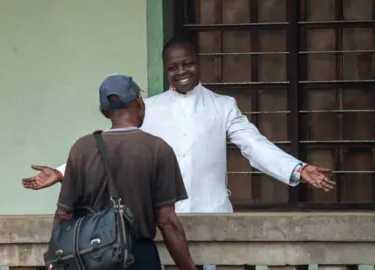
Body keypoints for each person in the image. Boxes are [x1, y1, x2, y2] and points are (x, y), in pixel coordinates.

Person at [24, 37, 336, 269]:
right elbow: (114, 150)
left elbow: (254, 146)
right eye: (173, 67)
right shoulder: (150, 108)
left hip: (213, 217)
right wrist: (61, 171)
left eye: (187, 64)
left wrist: (297, 169)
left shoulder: (223, 106)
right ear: (166, 70)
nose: (181, 71)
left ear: (198, 62)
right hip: (167, 229)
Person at [51, 74, 197, 270]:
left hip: (91, 258)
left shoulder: (82, 148)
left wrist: (57, 258)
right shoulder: (158, 148)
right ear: (139, 101)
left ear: (104, 111)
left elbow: (63, 214)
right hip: (140, 257)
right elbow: (167, 221)